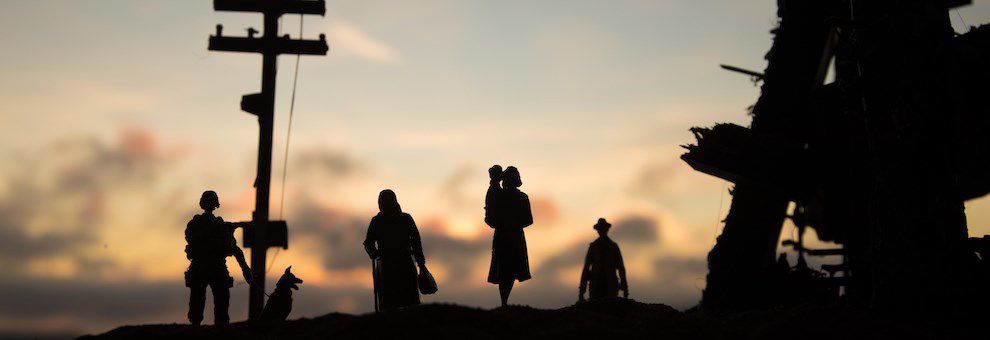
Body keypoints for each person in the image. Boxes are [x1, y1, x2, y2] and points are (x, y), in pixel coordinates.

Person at [184, 190, 252, 326]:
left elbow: (234, 249)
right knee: (198, 307)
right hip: (204, 267)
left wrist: (245, 269)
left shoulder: (220, 225)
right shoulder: (198, 224)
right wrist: (245, 268)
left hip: (213, 267)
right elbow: (191, 240)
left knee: (220, 305)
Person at [364, 189, 428, 310]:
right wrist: (373, 252)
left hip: (397, 264)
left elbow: (416, 243)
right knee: (397, 301)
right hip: (391, 264)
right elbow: (369, 242)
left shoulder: (402, 219)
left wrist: (422, 265)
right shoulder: (381, 221)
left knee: (401, 301)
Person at [487, 166, 533, 307]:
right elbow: (490, 215)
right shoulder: (499, 195)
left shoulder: (520, 197)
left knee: (509, 269)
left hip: (513, 236)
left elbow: (528, 220)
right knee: (505, 269)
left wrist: (512, 223)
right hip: (506, 236)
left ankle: (504, 302)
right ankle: (504, 302)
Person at [579, 218, 628, 302]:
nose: (601, 230)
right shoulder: (595, 246)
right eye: (600, 228)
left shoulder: (611, 246)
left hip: (608, 285)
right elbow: (586, 268)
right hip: (598, 285)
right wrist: (582, 290)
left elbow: (621, 268)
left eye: (602, 228)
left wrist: (625, 288)